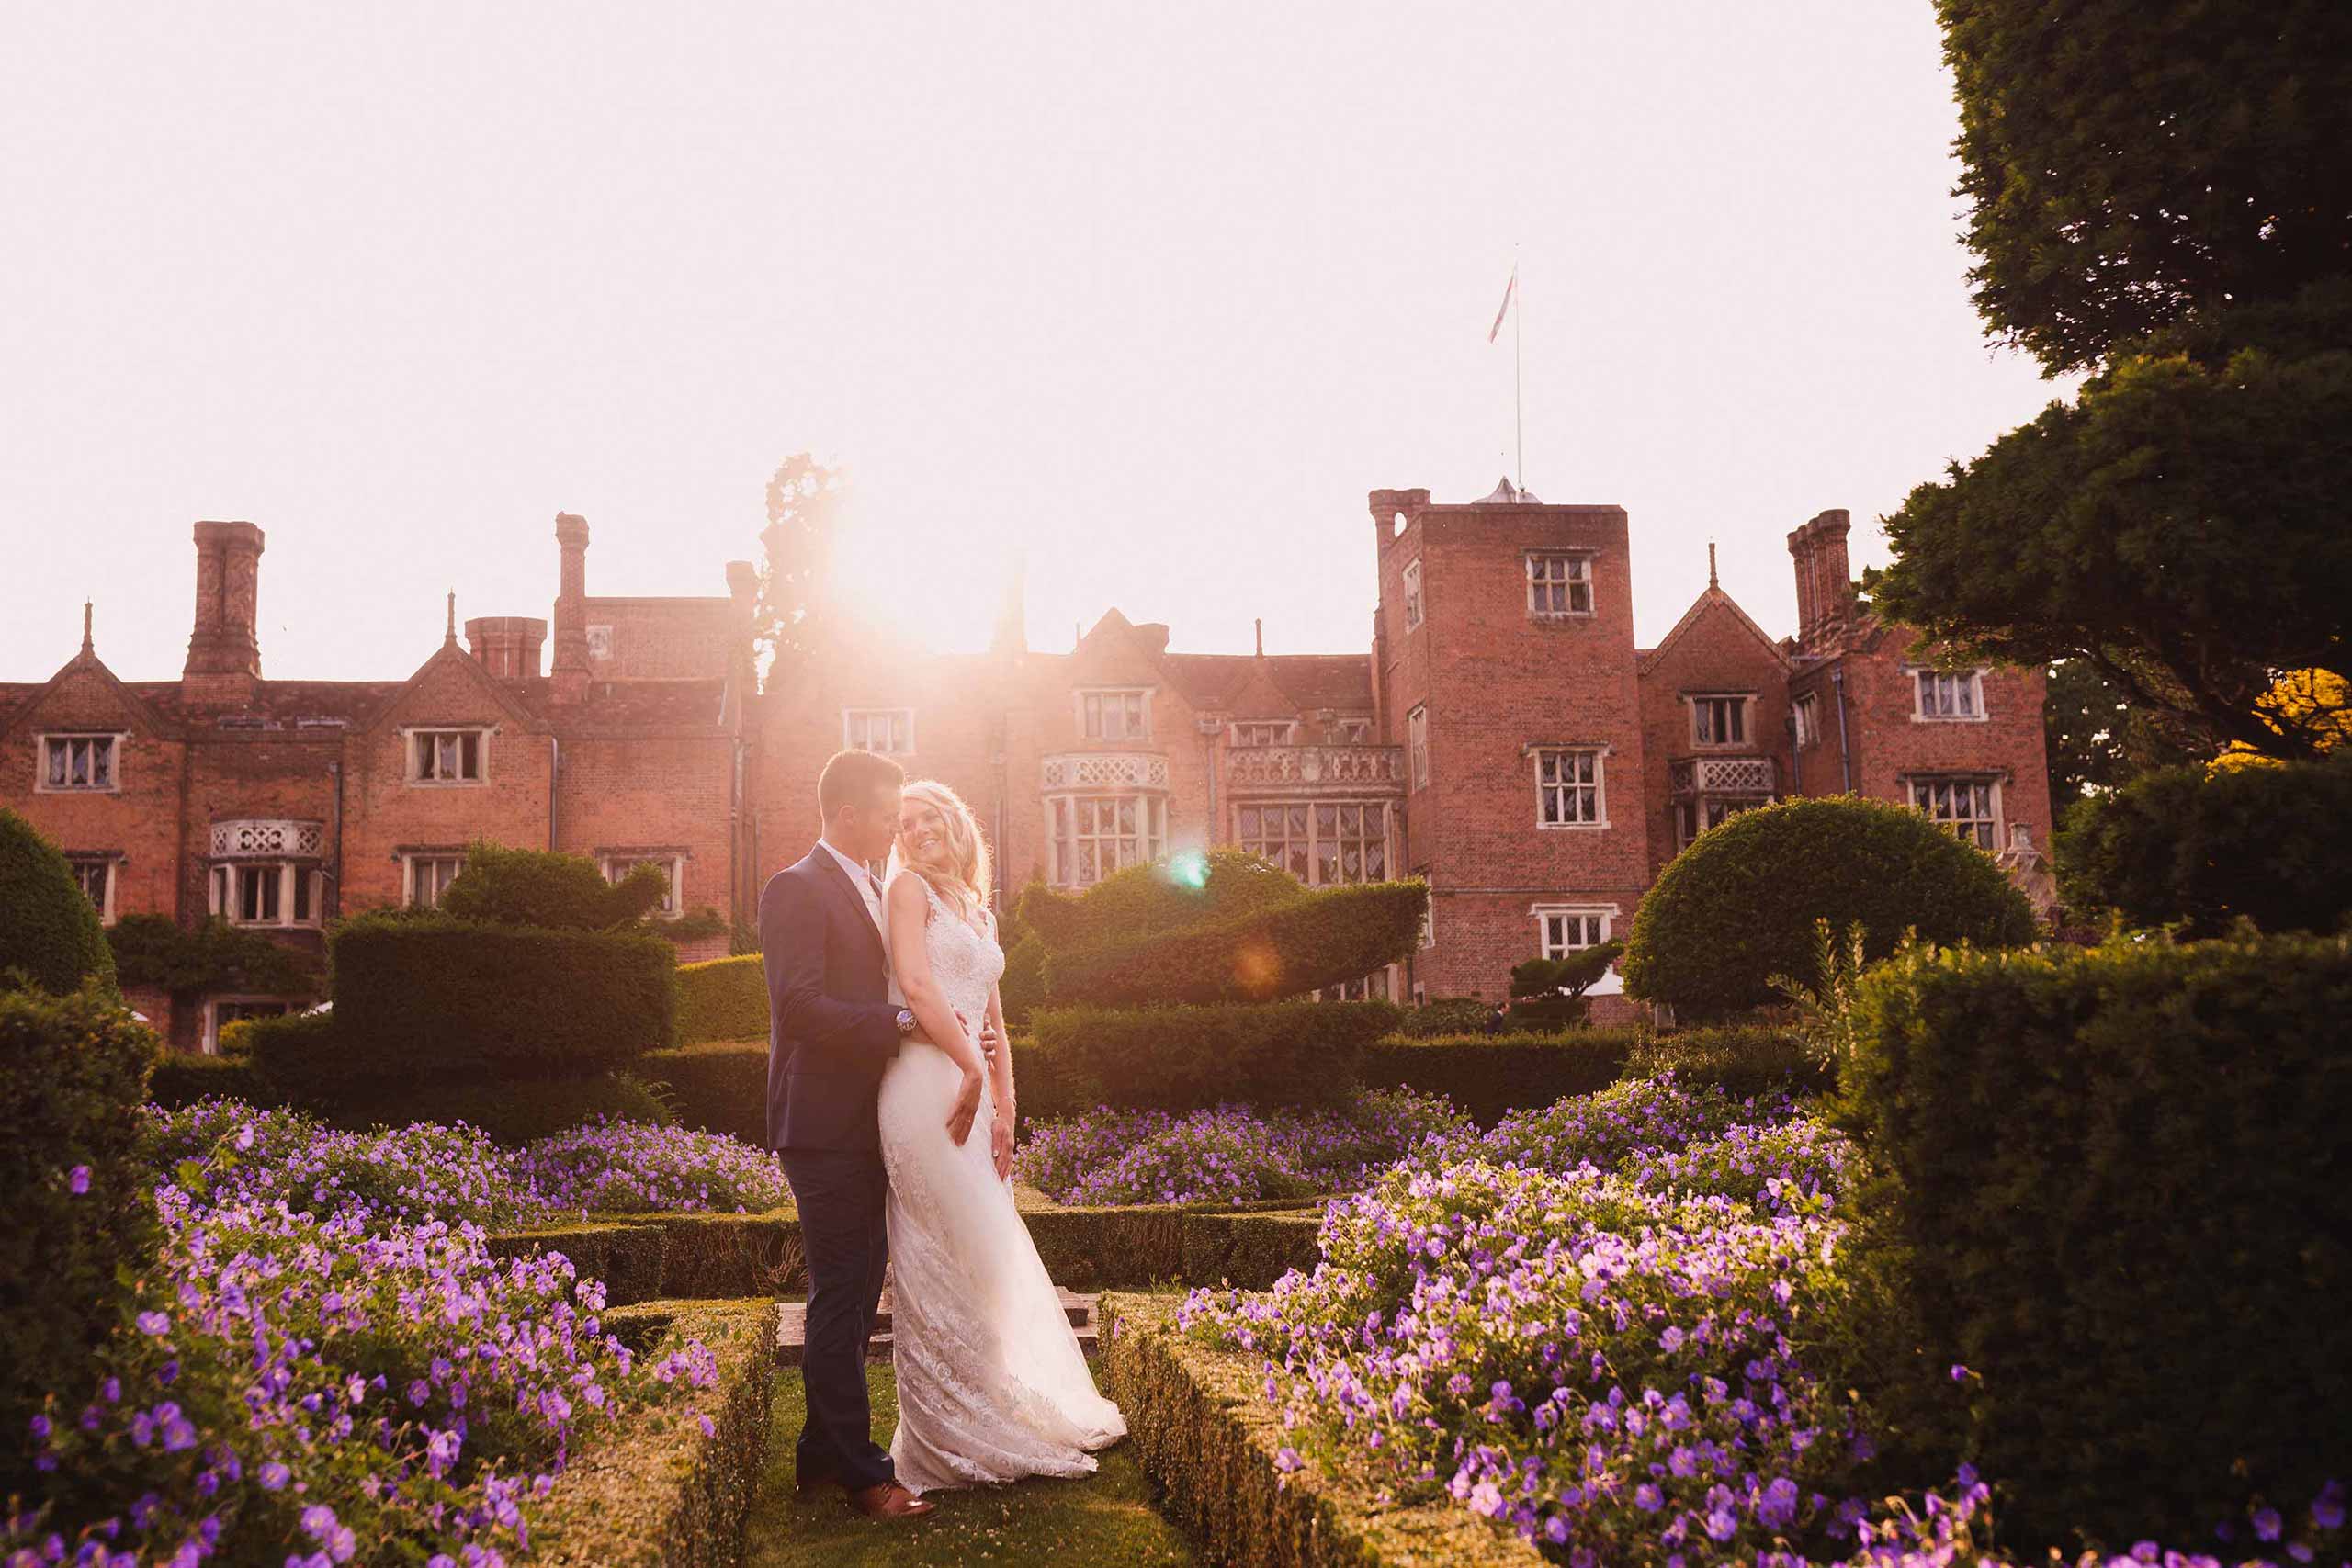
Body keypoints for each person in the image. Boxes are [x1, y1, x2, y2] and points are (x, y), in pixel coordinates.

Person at [876, 779, 1125, 1493]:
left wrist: (1007, 1104)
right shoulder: (908, 895)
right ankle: (940, 1436)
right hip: (925, 1085)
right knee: (938, 1249)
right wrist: (967, 1066)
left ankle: (990, 1404)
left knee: (985, 1256)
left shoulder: (980, 914)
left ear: (956, 823)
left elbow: (998, 1022)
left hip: (976, 1095)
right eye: (904, 822)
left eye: (927, 817)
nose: (916, 829)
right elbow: (918, 990)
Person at [762, 750, 976, 1520]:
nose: (897, 826)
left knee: (852, 1295)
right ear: (849, 812)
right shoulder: (795, 887)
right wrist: (905, 1023)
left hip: (871, 1119)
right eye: (887, 814)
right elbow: (802, 1009)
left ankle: (821, 1456)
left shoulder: (873, 884)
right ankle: (865, 1476)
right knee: (841, 1294)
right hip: (820, 1124)